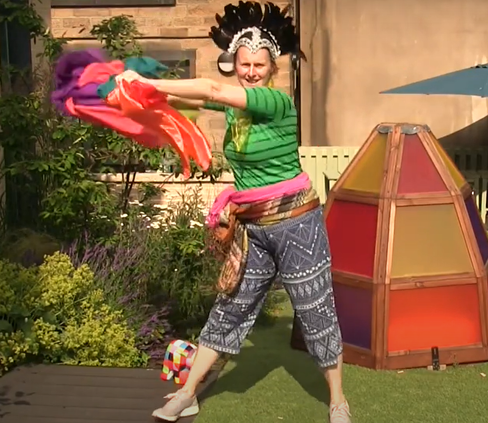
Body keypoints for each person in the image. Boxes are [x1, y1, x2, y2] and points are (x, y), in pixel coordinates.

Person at [116, 2, 351, 422]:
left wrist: (143, 78)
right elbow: (208, 99)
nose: (251, 71)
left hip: (297, 222)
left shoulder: (275, 102)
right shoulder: (235, 110)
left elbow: (210, 90)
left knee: (315, 309)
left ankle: (337, 400)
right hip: (254, 228)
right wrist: (145, 93)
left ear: (272, 67)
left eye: (259, 65)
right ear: (236, 63)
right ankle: (188, 394)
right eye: (245, 64)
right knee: (231, 307)